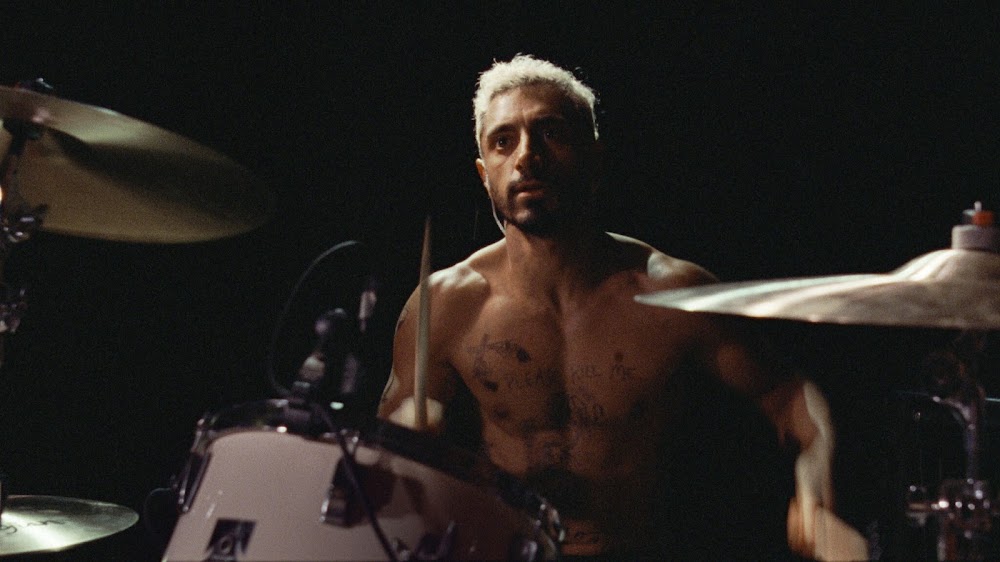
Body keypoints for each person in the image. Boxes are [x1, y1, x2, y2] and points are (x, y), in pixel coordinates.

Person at [378, 54, 865, 560]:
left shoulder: (670, 295)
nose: (526, 157)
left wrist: (816, 481)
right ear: (484, 173)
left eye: (550, 133)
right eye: (503, 141)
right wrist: (405, 437)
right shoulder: (447, 304)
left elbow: (790, 396)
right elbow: (380, 452)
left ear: (594, 157)